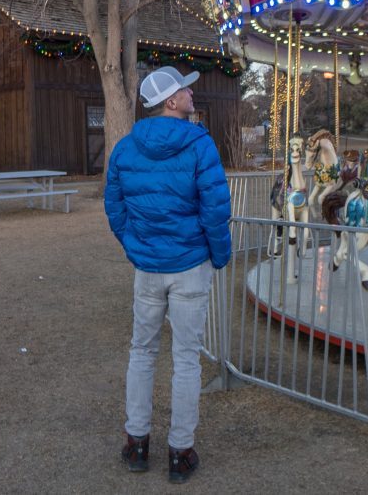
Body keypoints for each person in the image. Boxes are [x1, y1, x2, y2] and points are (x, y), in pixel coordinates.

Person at [104, 66, 232, 483]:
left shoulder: (125, 148)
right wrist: (219, 254)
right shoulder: (199, 144)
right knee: (185, 358)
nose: (192, 94)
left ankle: (137, 442)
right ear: (171, 101)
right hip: (189, 265)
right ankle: (180, 451)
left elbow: (115, 207)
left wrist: (135, 246)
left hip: (149, 267)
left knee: (142, 352)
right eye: (185, 90)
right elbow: (215, 209)